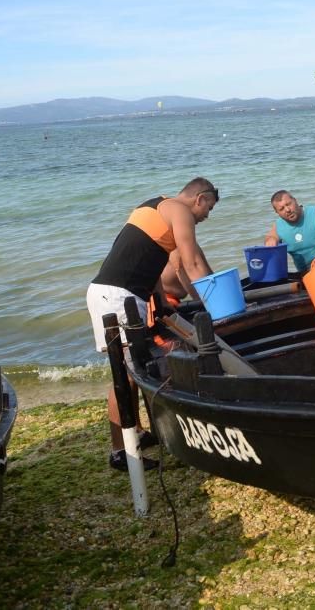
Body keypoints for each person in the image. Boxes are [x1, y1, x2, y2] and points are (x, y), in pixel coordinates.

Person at [87, 177, 218, 472]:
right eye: (207, 209)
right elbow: (189, 262)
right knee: (127, 374)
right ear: (200, 198)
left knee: (134, 368)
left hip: (118, 293)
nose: (206, 216)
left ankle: (137, 434)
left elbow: (147, 257)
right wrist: (213, 305)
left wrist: (158, 298)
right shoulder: (181, 211)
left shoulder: (156, 205)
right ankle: (121, 451)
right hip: (117, 297)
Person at [264, 190, 315, 273]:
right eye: (281, 209)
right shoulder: (279, 225)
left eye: (289, 204)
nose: (287, 210)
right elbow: (270, 237)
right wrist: (270, 240)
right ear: (277, 212)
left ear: (295, 200)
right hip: (304, 275)